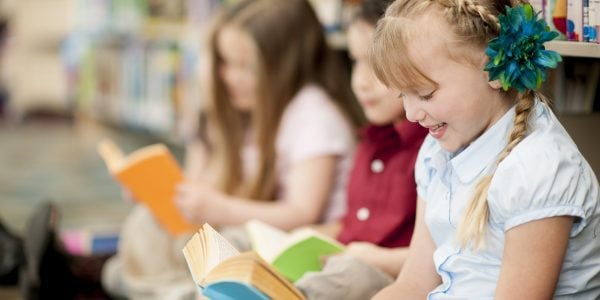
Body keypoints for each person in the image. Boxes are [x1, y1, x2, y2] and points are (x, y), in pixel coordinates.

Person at [100, 0, 364, 299]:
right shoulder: (243, 112)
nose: (229, 77)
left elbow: (302, 214)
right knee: (145, 225)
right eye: (224, 63)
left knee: (230, 243)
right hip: (245, 234)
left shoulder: (314, 115)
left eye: (244, 67)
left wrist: (219, 208)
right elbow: (204, 190)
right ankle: (166, 289)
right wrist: (156, 194)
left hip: (294, 247)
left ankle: (163, 290)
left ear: (285, 65)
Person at [369, 0, 600, 299]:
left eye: (425, 94)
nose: (411, 113)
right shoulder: (435, 151)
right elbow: (414, 284)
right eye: (403, 95)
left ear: (492, 68)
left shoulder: (538, 170)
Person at [294, 0, 427, 299]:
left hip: (390, 279)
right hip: (344, 268)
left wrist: (374, 259)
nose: (361, 82)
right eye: (356, 61)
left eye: (376, 65)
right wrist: (309, 237)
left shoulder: (429, 148)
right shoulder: (368, 141)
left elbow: (438, 258)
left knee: (337, 280)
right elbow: (356, 224)